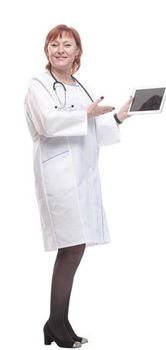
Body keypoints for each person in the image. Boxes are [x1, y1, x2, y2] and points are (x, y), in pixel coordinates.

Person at [26, 24, 137, 349]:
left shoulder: (78, 86)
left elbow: (90, 130)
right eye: (54, 44)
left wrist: (117, 118)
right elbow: (47, 124)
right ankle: (56, 323)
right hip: (58, 177)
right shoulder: (39, 85)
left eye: (67, 45)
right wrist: (83, 114)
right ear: (47, 50)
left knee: (76, 247)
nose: (60, 50)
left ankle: (58, 321)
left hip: (82, 176)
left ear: (77, 52)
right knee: (70, 247)